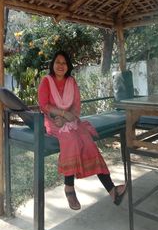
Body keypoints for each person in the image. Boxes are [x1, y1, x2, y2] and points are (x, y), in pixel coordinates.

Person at [38, 50, 127, 210]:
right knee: (70, 138)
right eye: (57, 62)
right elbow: (44, 105)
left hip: (69, 119)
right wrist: (59, 115)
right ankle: (69, 187)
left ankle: (112, 190)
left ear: (68, 66)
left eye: (64, 63)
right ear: (52, 64)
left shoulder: (71, 82)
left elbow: (76, 108)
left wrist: (65, 117)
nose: (60, 65)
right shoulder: (46, 81)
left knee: (88, 142)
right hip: (52, 120)